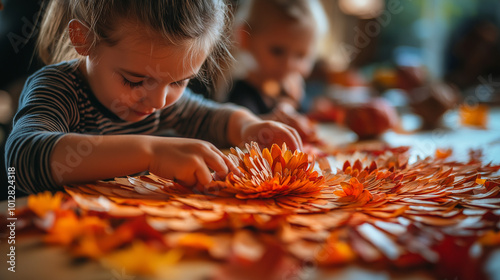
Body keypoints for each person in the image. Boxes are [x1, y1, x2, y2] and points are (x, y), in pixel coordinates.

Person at [5, 0, 303, 194]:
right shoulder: (59, 88)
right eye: (135, 80)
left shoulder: (159, 102)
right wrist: (151, 152)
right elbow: (21, 160)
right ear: (83, 39)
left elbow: (211, 116)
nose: (159, 101)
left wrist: (249, 127)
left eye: (179, 82)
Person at [226, 0, 328, 142]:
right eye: (277, 51)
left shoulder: (295, 90)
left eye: (301, 55)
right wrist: (281, 114)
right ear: (245, 38)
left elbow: (308, 117)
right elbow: (237, 130)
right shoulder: (242, 92)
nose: (288, 64)